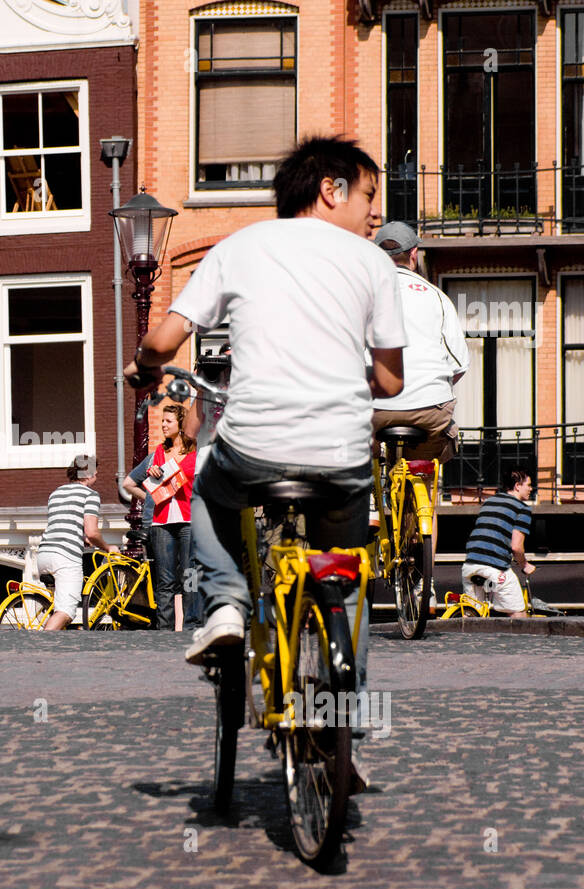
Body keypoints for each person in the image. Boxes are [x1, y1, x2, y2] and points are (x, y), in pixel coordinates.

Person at [123, 136, 406, 699]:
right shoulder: (375, 264)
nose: (376, 213)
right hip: (342, 459)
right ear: (331, 190)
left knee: (203, 486)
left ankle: (226, 604)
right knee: (343, 580)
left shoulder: (240, 246)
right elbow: (392, 381)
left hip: (253, 450)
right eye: (369, 195)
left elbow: (164, 338)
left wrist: (145, 365)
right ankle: (342, 721)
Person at [370, 221, 468, 462]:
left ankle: (369, 487)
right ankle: (419, 489)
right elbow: (459, 364)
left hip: (374, 410)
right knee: (421, 466)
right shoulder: (438, 297)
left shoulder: (363, 293)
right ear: (414, 255)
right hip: (429, 410)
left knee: (356, 447)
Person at [121, 404, 201, 631]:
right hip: (161, 521)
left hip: (189, 520)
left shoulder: (196, 451)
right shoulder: (157, 453)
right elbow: (136, 484)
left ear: (181, 424)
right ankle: (164, 630)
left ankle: (190, 627)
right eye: (162, 421)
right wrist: (149, 493)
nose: (163, 425)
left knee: (189, 575)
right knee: (165, 580)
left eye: (168, 421)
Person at [37, 455, 119, 630]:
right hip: (65, 558)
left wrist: (84, 540)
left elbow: (65, 524)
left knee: (57, 608)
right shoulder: (90, 495)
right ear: (88, 474)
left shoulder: (56, 493)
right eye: (96, 471)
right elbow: (92, 531)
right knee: (66, 612)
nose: (97, 474)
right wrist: (108, 547)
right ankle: (39, 647)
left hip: (44, 554)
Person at [460, 468, 536, 618]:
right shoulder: (522, 508)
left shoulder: (489, 501)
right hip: (494, 570)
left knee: (474, 616)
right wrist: (525, 565)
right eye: (529, 485)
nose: (531, 489)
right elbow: (516, 547)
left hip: (470, 568)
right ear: (517, 486)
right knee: (518, 614)